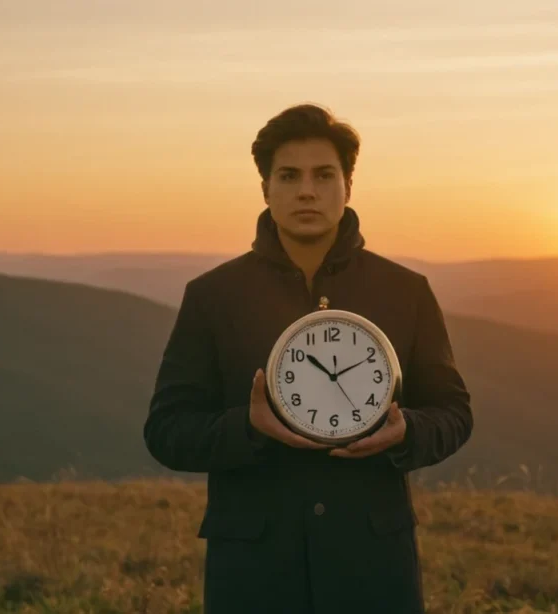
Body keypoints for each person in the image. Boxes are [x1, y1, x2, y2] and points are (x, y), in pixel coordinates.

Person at [143, 103, 473, 614]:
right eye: (289, 176)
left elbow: (454, 414)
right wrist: (247, 429)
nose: (306, 191)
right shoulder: (214, 296)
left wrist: (406, 430)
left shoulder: (405, 292)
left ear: (347, 186)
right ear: (266, 188)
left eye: (324, 175)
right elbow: (166, 430)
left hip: (371, 570)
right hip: (254, 574)